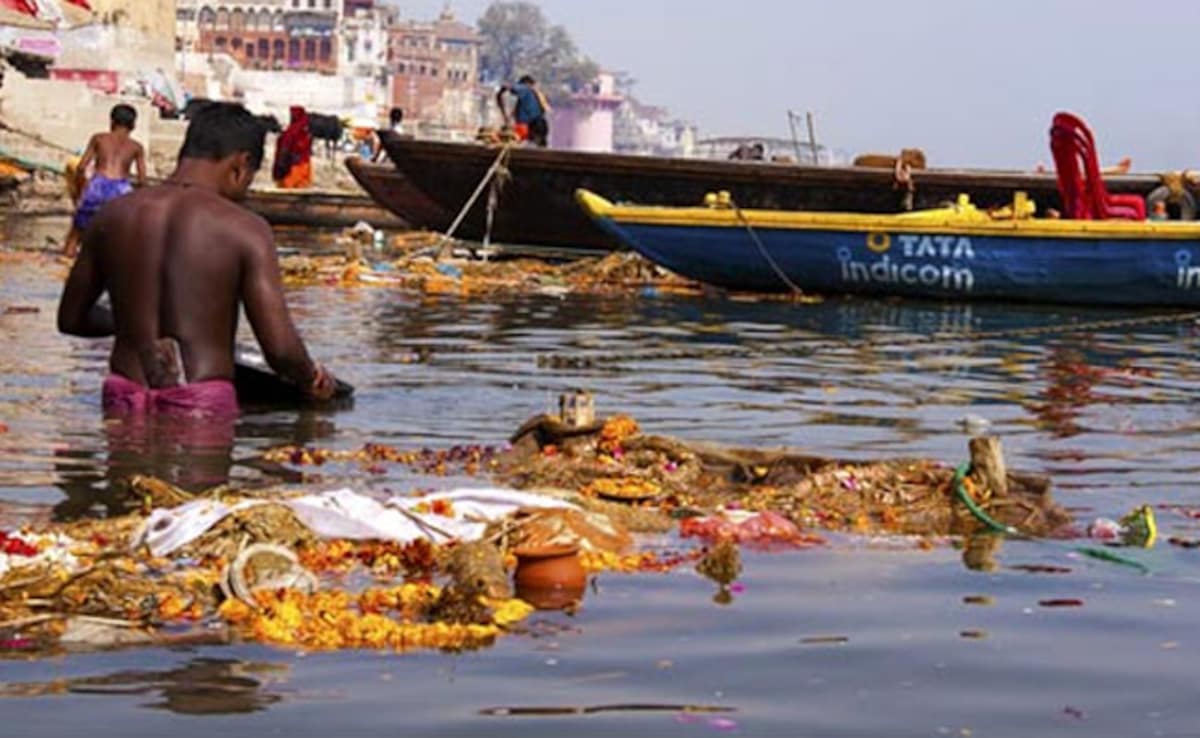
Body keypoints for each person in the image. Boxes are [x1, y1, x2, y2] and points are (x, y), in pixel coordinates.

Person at [57, 102, 338, 426]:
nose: (244, 193)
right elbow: (280, 350)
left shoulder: (112, 215)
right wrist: (312, 378)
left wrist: (132, 321)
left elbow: (71, 319)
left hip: (124, 397)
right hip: (199, 405)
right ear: (240, 166)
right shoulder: (245, 229)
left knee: (127, 459)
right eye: (248, 181)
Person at [63, 104, 146, 258]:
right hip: (121, 190)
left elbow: (81, 167)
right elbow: (142, 181)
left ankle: (68, 259)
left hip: (97, 186)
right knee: (119, 238)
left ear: (112, 122)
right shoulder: (137, 147)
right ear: (133, 125)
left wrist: (80, 191)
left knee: (75, 233)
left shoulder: (99, 138)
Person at [496, 75, 550, 147]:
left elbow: (510, 87)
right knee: (537, 147)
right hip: (540, 126)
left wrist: (502, 89)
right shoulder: (536, 94)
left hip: (530, 126)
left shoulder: (526, 88)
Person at [273, 105, 313, 189]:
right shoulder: (306, 132)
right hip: (305, 167)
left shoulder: (290, 133)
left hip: (292, 169)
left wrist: (279, 170)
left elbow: (284, 150)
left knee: (288, 190)